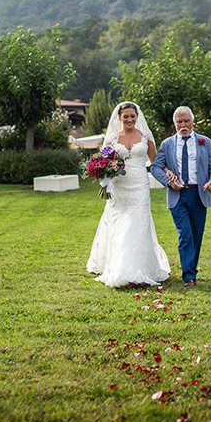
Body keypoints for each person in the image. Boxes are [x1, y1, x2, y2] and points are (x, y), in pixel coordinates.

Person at [86, 102, 171, 287]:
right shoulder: (112, 138)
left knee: (139, 224)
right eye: (126, 116)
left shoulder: (145, 136)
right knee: (120, 225)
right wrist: (104, 173)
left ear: (137, 117)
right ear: (119, 118)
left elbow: (154, 161)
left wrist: (168, 174)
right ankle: (120, 268)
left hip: (140, 186)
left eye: (133, 116)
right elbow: (102, 161)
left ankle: (140, 269)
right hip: (120, 188)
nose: (130, 119)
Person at [150, 106, 211, 287]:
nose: (183, 125)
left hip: (199, 194)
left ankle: (192, 269)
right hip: (177, 195)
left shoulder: (205, 142)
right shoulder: (167, 144)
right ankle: (189, 275)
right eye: (179, 122)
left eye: (186, 121)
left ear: (192, 121)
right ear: (174, 124)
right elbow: (156, 167)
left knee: (197, 235)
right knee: (185, 234)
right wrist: (168, 182)